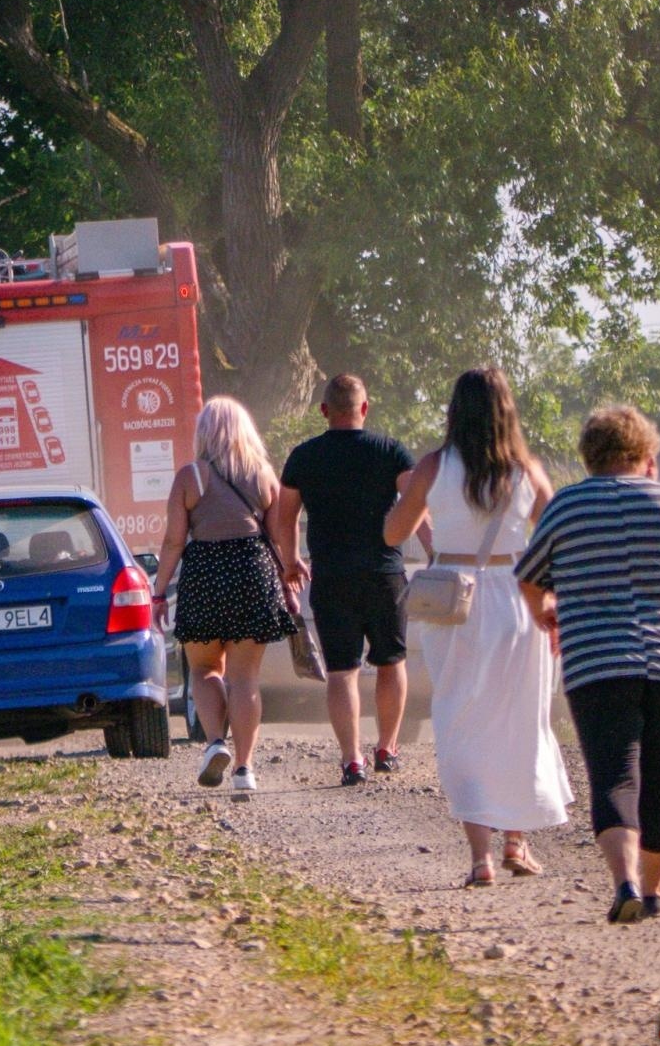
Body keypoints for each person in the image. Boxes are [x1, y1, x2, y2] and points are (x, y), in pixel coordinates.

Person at [515, 405, 660, 924]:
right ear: (646, 454)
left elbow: (530, 577)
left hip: (599, 659)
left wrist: (545, 614)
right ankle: (655, 892)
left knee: (615, 775)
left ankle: (624, 883)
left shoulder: (567, 505)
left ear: (590, 455)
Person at [384, 368, 572, 887]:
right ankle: (517, 841)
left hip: (453, 603)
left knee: (460, 717)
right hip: (516, 598)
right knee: (520, 718)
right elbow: (557, 532)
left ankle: (479, 858)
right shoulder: (525, 471)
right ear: (505, 412)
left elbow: (393, 531)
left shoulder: (433, 467)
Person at [277, 373, 427, 785]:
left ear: (324, 411)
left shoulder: (303, 457)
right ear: (365, 408)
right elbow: (416, 504)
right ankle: (386, 747)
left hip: (331, 576)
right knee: (391, 660)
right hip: (384, 574)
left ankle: (351, 760)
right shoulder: (390, 451)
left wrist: (290, 561)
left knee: (342, 670)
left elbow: (284, 516)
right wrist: (435, 553)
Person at [151, 396, 297, 791]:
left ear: (204, 433)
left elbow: (172, 542)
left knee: (203, 669)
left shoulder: (190, 477)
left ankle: (215, 741)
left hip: (205, 574)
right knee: (245, 678)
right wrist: (287, 582)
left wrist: (159, 591)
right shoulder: (265, 475)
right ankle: (245, 769)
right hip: (252, 571)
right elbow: (280, 539)